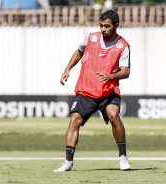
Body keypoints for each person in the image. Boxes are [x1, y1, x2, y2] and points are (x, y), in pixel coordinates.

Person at [53, 10, 131, 172]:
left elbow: (126, 71)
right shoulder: (91, 37)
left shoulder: (122, 46)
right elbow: (79, 52)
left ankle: (123, 157)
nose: (103, 29)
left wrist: (110, 76)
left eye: (107, 26)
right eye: (101, 25)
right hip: (87, 89)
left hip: (108, 91)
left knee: (114, 115)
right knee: (74, 119)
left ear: (116, 25)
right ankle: (69, 162)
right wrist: (67, 69)